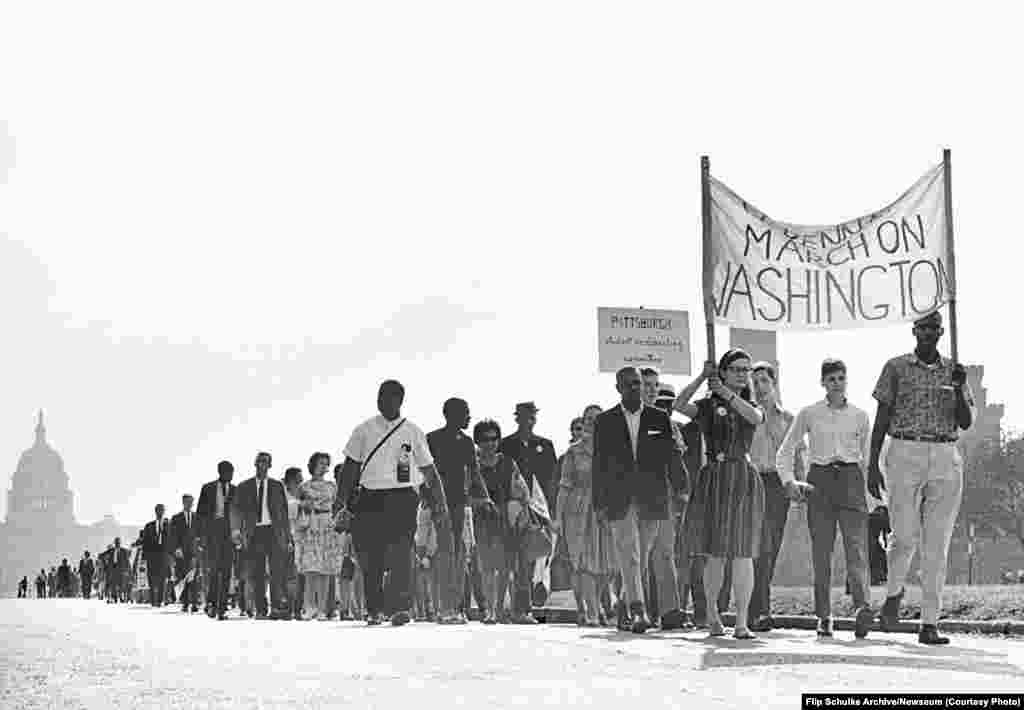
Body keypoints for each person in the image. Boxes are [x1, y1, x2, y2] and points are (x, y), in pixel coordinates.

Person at [869, 310, 975, 645]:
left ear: (942, 332)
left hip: (944, 453)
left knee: (936, 544)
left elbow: (966, 421)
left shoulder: (954, 370)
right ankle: (894, 594)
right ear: (914, 331)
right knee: (904, 537)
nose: (928, 333)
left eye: (934, 328)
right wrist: (872, 463)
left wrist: (958, 388)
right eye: (923, 328)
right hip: (904, 450)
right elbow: (882, 416)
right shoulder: (896, 367)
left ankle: (929, 623)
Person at [334, 379, 450, 627]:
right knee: (371, 556)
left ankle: (400, 608)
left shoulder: (413, 431)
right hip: (369, 498)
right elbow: (350, 469)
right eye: (380, 397)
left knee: (400, 553)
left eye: (388, 398)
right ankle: (374, 609)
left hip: (403, 498)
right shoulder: (363, 430)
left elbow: (429, 470)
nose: (382, 402)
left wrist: (441, 502)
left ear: (400, 401)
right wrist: (341, 501)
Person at [778, 358, 874, 639]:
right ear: (822, 382)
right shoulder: (809, 413)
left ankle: (862, 609)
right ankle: (824, 615)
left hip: (851, 479)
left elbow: (869, 458)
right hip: (819, 481)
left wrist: (874, 494)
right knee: (822, 552)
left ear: (847, 381)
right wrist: (788, 481)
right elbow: (786, 450)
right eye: (831, 379)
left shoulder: (860, 415)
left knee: (857, 548)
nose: (836, 383)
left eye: (841, 378)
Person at [674, 350, 765, 640]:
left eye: (745, 370)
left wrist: (724, 391)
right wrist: (703, 376)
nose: (742, 374)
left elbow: (755, 417)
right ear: (723, 371)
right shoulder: (708, 406)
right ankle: (713, 614)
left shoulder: (747, 403)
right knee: (715, 553)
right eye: (736, 369)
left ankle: (741, 621)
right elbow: (679, 405)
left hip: (742, 479)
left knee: (743, 552)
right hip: (715, 477)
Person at [594, 366, 686, 634]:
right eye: (630, 384)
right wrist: (599, 503)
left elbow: (672, 456)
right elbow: (599, 464)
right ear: (618, 388)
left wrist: (681, 489)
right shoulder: (606, 421)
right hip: (618, 497)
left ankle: (623, 603)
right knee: (629, 553)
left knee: (641, 555)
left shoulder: (658, 418)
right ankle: (638, 610)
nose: (636, 388)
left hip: (652, 495)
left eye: (638, 384)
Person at [746, 361, 803, 632]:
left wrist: (798, 486)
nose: (759, 387)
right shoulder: (747, 415)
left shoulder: (788, 419)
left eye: (763, 381)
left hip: (778, 483)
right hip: (753, 481)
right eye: (754, 382)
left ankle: (756, 608)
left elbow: (796, 453)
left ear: (774, 383)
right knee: (760, 547)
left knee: (772, 547)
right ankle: (759, 610)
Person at [427, 397, 494, 624]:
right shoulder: (432, 439)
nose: (469, 417)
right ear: (451, 415)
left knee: (457, 554)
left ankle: (453, 607)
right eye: (465, 413)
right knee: (444, 554)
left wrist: (485, 497)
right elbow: (421, 471)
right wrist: (425, 497)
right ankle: (444, 608)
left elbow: (474, 473)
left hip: (458, 504)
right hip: (438, 504)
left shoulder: (466, 443)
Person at [553, 404, 617, 626]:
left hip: (605, 508)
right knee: (584, 562)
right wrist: (557, 518)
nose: (592, 423)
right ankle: (591, 611)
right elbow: (564, 486)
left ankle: (592, 605)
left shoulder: (612, 450)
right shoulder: (574, 451)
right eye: (588, 419)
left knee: (607, 566)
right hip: (578, 509)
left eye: (597, 419)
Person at [499, 401, 558, 607]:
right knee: (516, 554)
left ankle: (534, 590)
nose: (529, 421)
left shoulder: (546, 444)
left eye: (532, 417)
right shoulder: (505, 444)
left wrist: (552, 508)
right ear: (517, 418)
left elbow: (552, 479)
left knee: (538, 549)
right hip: (514, 506)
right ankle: (518, 600)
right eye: (524, 417)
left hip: (540, 507)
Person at [473, 419, 529, 624]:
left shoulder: (508, 462)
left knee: (505, 566)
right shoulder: (473, 465)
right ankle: (489, 610)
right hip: (483, 518)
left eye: (494, 438)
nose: (490, 443)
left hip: (506, 517)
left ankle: (498, 609)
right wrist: (481, 502)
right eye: (485, 439)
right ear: (478, 441)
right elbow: (466, 493)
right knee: (487, 566)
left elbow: (522, 491)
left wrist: (519, 501)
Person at [231, 452, 293, 620]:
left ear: (270, 465)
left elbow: (284, 513)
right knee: (257, 572)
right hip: (254, 533)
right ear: (254, 463)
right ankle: (260, 609)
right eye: (259, 461)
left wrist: (287, 538)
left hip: (274, 532)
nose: (262, 465)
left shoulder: (277, 486)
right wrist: (236, 530)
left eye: (265, 462)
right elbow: (236, 510)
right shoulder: (244, 486)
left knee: (276, 572)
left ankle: (276, 608)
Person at [295, 452, 343, 620]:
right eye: (321, 463)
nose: (324, 466)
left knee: (325, 570)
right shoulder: (304, 486)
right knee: (310, 569)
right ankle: (309, 607)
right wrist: (303, 505)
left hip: (327, 525)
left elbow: (338, 506)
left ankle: (322, 608)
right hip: (311, 524)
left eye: (326, 463)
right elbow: (296, 506)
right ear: (313, 465)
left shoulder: (332, 486)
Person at [196, 460, 237, 620]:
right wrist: (200, 536)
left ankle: (222, 607)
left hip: (229, 533)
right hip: (213, 532)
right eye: (228, 472)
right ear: (220, 472)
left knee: (226, 570)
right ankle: (211, 603)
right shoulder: (208, 488)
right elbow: (200, 514)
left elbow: (238, 512)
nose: (231, 476)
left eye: (232, 472)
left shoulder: (235, 490)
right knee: (214, 570)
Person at [170, 494, 200, 613]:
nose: (189, 504)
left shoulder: (197, 517)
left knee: (193, 578)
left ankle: (194, 603)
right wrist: (176, 548)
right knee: (183, 577)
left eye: (191, 502)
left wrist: (200, 546)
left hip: (194, 552)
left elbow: (200, 532)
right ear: (183, 502)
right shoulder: (176, 518)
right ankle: (185, 603)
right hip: (181, 552)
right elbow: (172, 536)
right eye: (187, 502)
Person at [282, 466, 305, 620]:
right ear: (290, 480)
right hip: (288, 539)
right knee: (290, 575)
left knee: (301, 575)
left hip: (302, 540)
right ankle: (288, 607)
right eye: (298, 480)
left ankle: (298, 608)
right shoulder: (282, 495)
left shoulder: (301, 495)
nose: (301, 482)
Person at [141, 504, 171, 607]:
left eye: (162, 510)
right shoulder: (149, 526)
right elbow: (145, 542)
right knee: (152, 578)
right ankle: (153, 600)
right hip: (152, 556)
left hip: (163, 555)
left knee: (162, 578)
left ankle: (159, 600)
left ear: (164, 511)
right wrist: (144, 558)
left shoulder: (168, 525)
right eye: (158, 510)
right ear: (155, 511)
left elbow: (172, 540)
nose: (160, 512)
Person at [869, 504, 891, 585]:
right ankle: (878, 578)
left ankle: (850, 585)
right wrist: (885, 544)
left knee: (868, 558)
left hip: (865, 539)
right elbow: (886, 532)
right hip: (872, 540)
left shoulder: (870, 515)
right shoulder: (883, 517)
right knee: (879, 556)